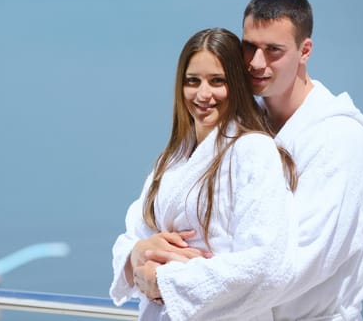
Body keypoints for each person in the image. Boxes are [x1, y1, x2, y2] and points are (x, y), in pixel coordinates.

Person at [122, 0, 363, 320]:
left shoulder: (339, 139)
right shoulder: (236, 124)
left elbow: (296, 263)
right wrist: (139, 254)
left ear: (305, 50)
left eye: (274, 50)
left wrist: (170, 279)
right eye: (250, 47)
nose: (257, 63)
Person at [110, 27, 298, 320]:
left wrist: (166, 281)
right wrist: (136, 253)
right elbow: (133, 234)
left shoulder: (253, 151)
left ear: (236, 85)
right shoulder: (172, 159)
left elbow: (266, 264)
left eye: (217, 81)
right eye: (192, 81)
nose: (203, 94)